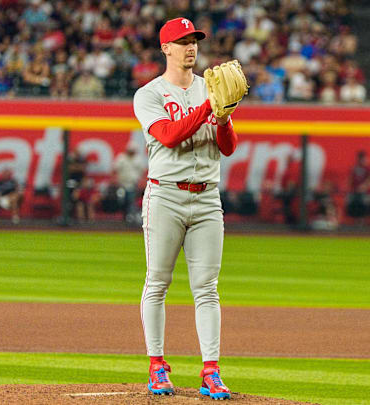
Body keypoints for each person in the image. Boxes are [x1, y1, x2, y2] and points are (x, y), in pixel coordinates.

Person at [132, 17, 239, 400]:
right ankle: (157, 365)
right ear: (166, 48)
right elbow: (171, 135)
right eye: (182, 41)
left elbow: (227, 147)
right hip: (166, 197)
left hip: (208, 197)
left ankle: (211, 370)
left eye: (194, 40)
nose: (190, 47)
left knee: (207, 289)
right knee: (158, 282)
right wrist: (211, 105)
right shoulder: (150, 94)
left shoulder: (210, 88)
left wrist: (223, 118)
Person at [114, 142, 147, 223]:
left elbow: (142, 172)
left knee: (131, 201)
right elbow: (115, 169)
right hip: (122, 184)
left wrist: (141, 183)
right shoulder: (121, 158)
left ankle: (130, 216)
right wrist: (115, 180)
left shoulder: (138, 159)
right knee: (122, 200)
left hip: (133, 184)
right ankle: (124, 215)